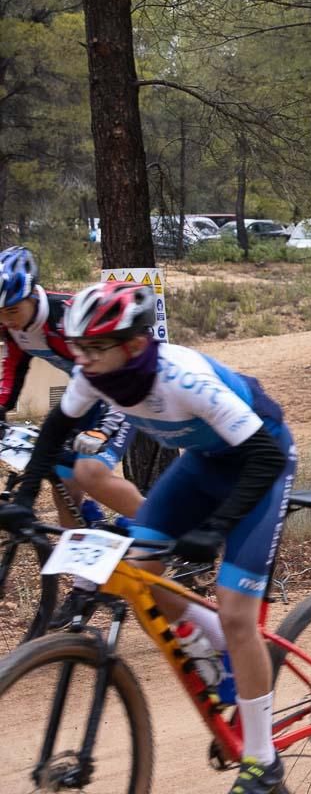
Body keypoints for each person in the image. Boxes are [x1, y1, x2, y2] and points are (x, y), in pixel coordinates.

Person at [6, 281, 296, 793]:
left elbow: (265, 458)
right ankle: (210, 645)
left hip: (261, 462)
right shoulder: (97, 374)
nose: (84, 363)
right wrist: (23, 501)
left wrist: (215, 529)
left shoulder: (182, 377)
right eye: (79, 351)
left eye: (95, 350)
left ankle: (262, 759)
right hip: (205, 464)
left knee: (236, 613)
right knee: (137, 575)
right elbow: (53, 432)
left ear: (134, 345)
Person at [0, 246, 144, 627]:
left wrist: (101, 430)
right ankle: (86, 586)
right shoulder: (14, 324)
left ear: (34, 295)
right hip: (85, 396)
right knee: (65, 487)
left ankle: (164, 527)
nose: (7, 321)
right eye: (0, 313)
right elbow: (14, 367)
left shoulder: (67, 318)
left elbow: (119, 370)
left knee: (90, 473)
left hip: (123, 393)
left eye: (12, 310)